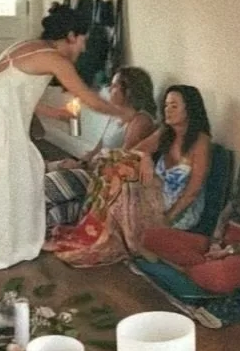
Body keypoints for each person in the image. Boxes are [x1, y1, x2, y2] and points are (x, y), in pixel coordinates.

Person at [0, 4, 137, 270]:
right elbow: (88, 97)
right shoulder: (55, 58)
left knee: (23, 171)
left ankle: (24, 239)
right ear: (71, 35)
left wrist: (55, 113)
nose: (82, 48)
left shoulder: (30, 46)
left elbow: (15, 94)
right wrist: (123, 112)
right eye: (82, 41)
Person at [141, 103, 240, 294]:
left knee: (217, 278)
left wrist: (232, 250)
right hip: (225, 241)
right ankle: (199, 267)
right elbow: (231, 206)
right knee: (150, 236)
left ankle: (193, 269)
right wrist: (217, 240)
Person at [48, 84, 213, 269]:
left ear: (190, 109)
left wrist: (166, 220)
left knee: (118, 169)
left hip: (179, 209)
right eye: (166, 106)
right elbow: (134, 152)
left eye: (174, 106)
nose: (168, 110)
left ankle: (103, 234)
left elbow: (193, 191)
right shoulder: (165, 133)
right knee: (113, 162)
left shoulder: (201, 142)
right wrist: (144, 158)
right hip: (154, 194)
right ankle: (94, 231)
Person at [43, 67, 158, 228]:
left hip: (105, 181)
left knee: (46, 187)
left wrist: (85, 168)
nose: (110, 89)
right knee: (45, 173)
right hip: (93, 170)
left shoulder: (140, 121)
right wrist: (80, 162)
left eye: (115, 85)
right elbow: (97, 149)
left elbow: (121, 161)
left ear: (129, 91)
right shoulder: (115, 115)